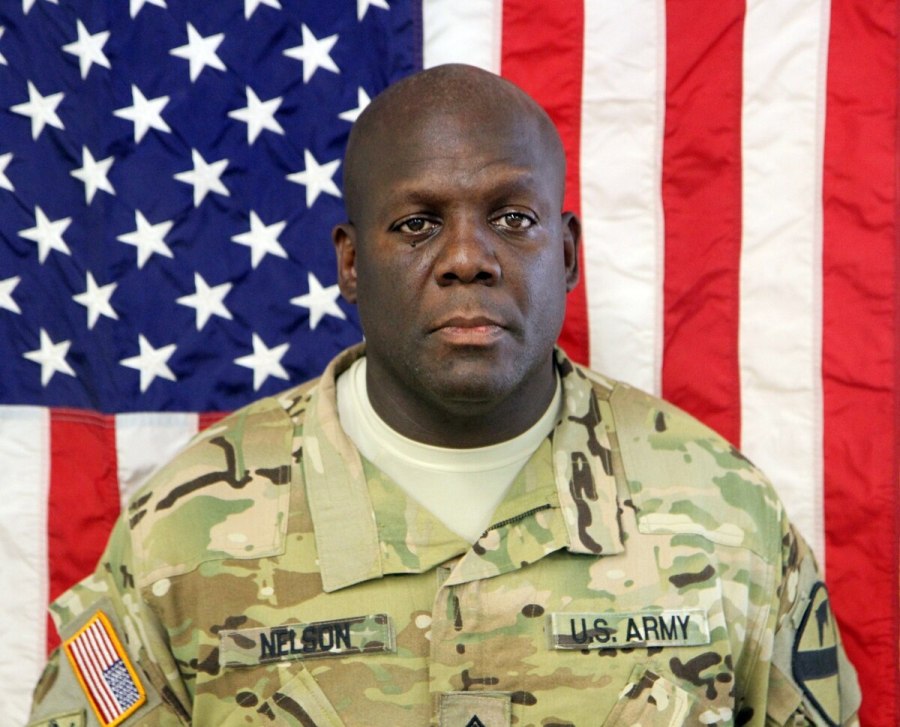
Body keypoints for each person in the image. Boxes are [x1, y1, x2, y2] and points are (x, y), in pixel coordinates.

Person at [27, 64, 860, 727]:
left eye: (513, 218)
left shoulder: (723, 514)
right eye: (418, 223)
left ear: (568, 253)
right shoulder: (182, 532)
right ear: (351, 263)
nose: (468, 257)